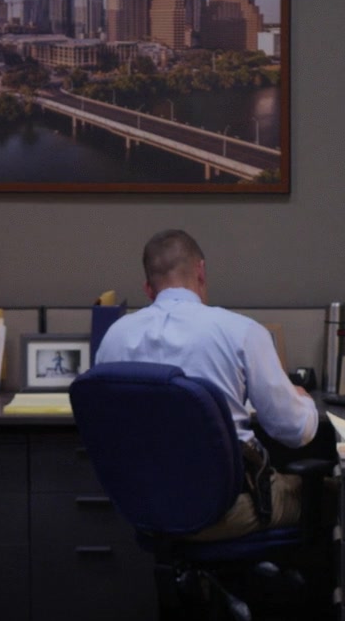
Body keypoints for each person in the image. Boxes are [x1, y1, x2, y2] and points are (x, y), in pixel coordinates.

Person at [96, 229, 326, 540]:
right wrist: (303, 399)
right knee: (330, 494)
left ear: (148, 288)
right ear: (201, 271)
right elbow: (295, 431)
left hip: (148, 510)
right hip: (229, 510)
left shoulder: (114, 338)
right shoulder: (240, 332)